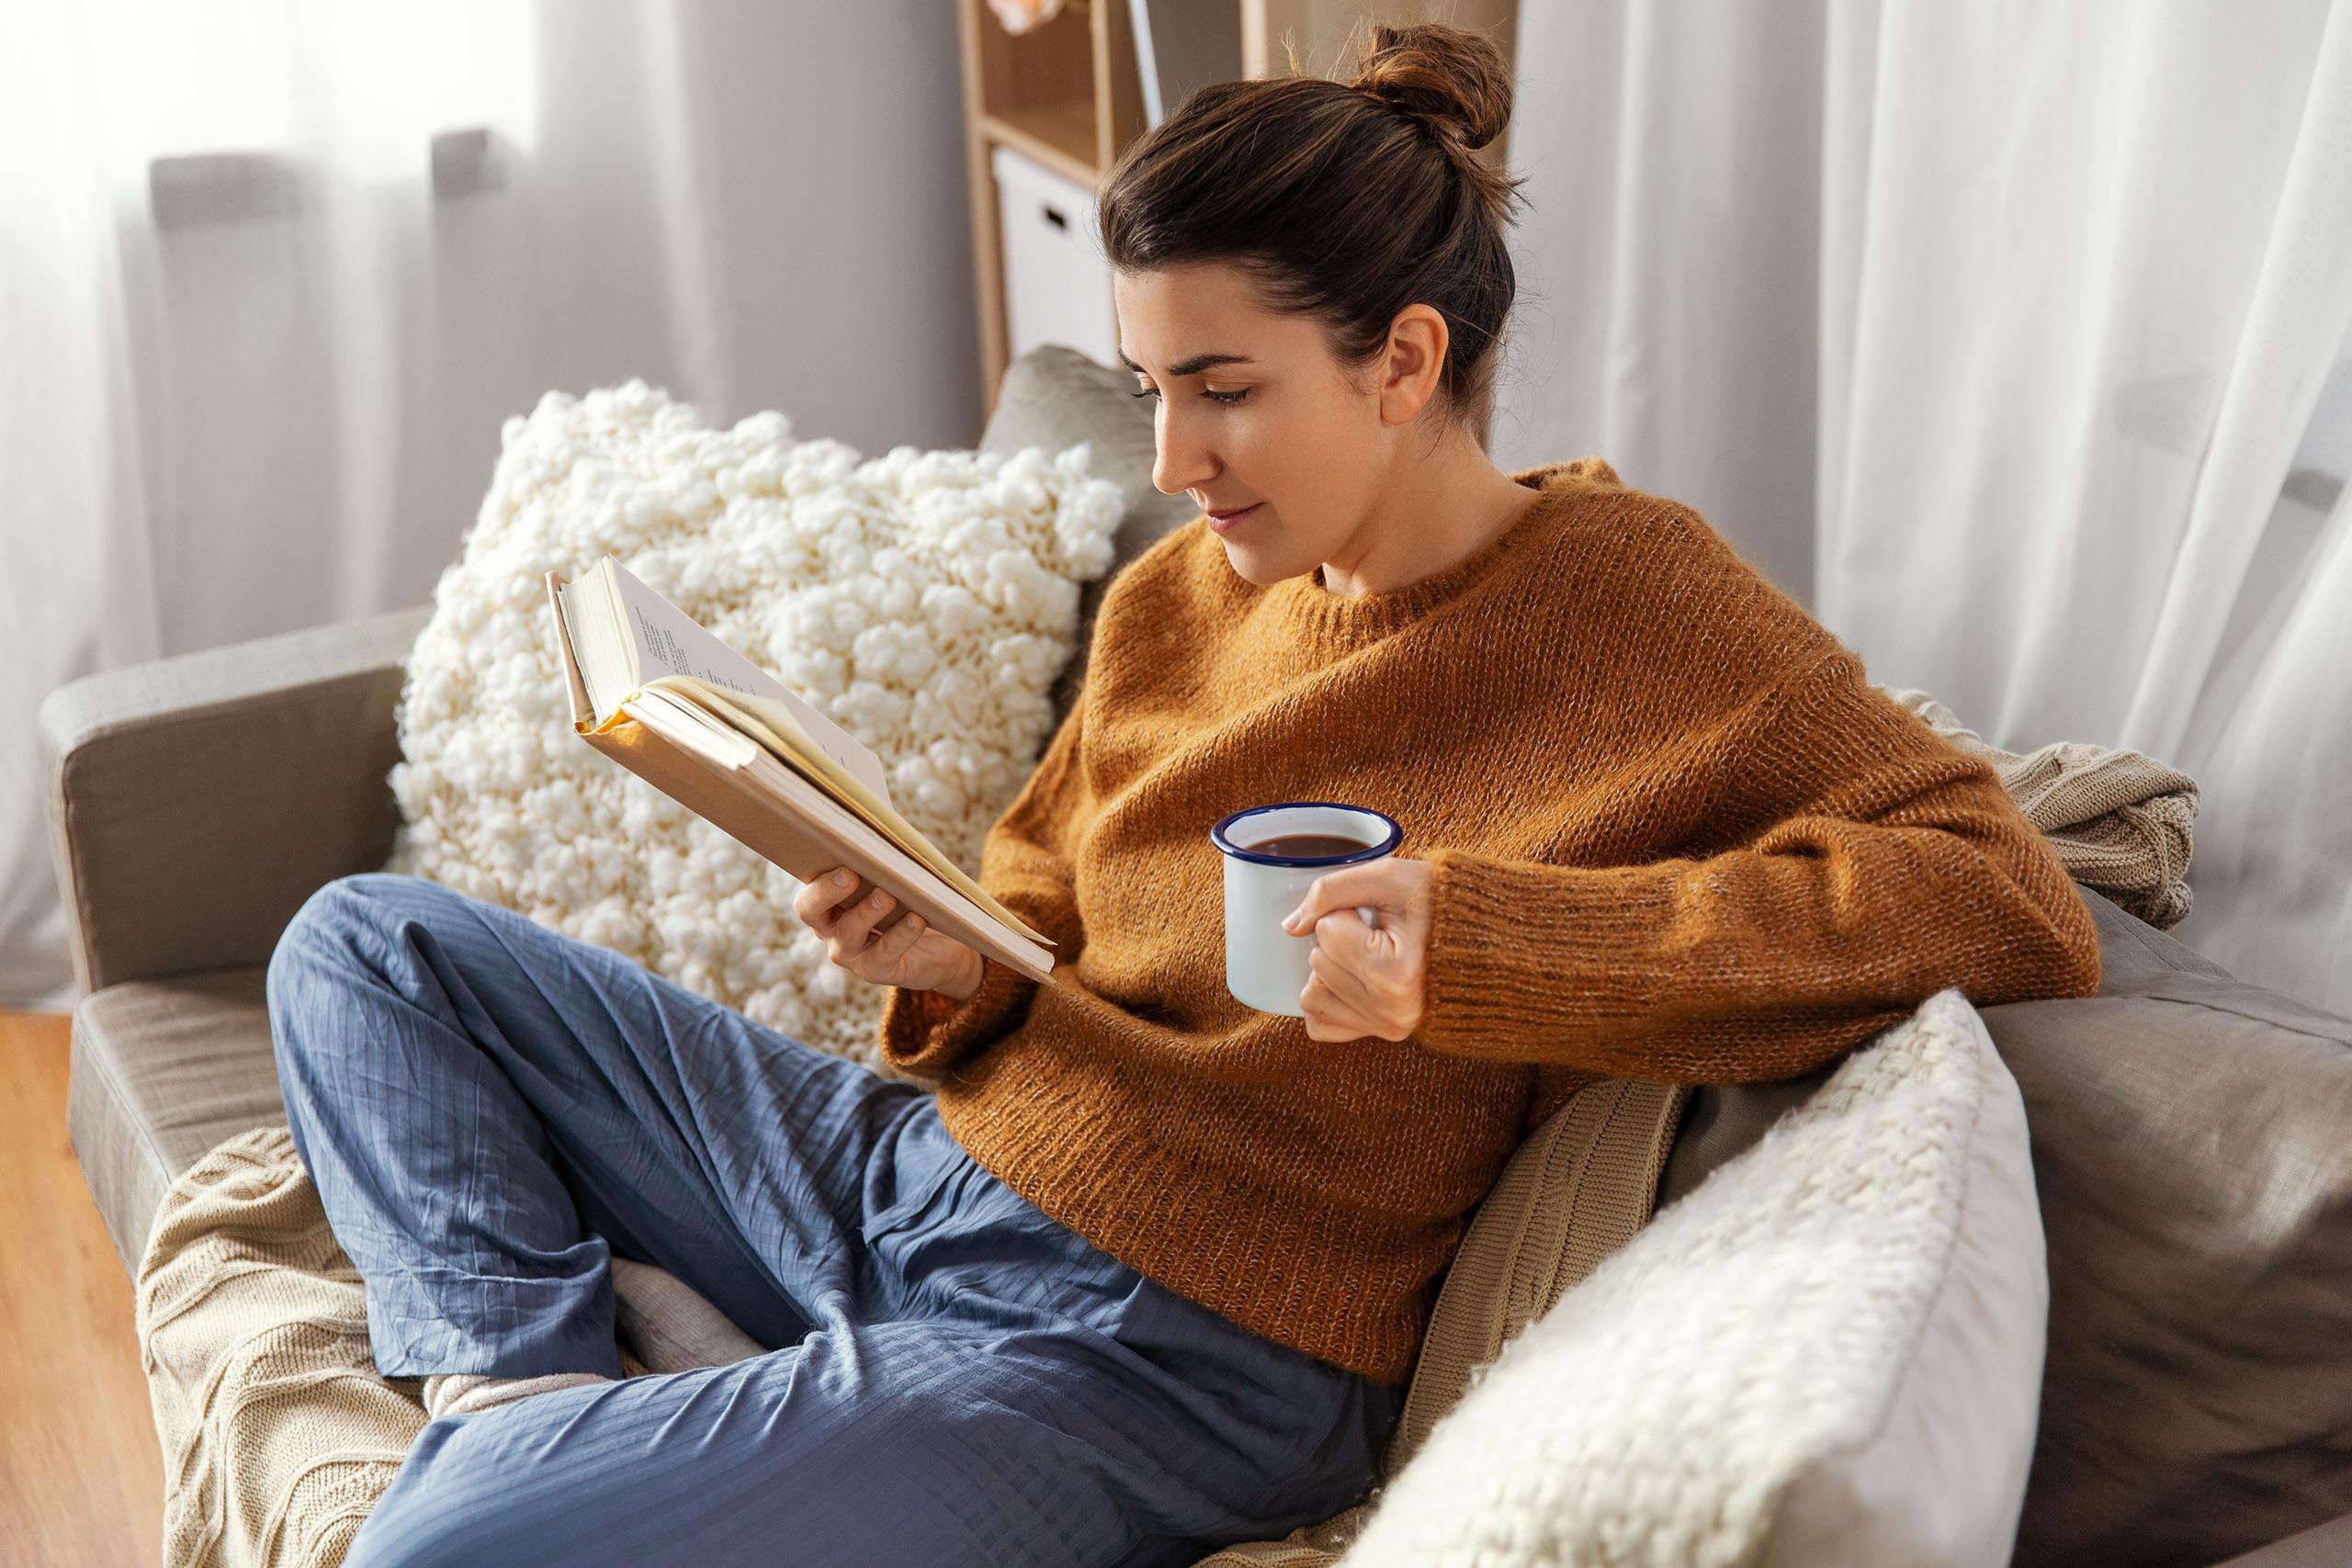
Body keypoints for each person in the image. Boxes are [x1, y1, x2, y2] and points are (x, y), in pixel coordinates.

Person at [268, 21, 2101, 1568]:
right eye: (1150, 388)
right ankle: (538, 1379)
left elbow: (1996, 890)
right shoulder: (1181, 593)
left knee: (442, 1543)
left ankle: (639, 1423)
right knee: (361, 949)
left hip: (1169, 1346)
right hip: (917, 1165)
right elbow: (1040, 903)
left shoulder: (1635, 602)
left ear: (1402, 358)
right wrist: (948, 952)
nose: (1168, 462)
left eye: (1218, 391)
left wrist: (1486, 943)